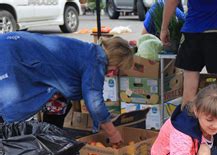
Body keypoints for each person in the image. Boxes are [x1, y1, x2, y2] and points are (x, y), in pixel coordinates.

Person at [0, 32, 134, 144]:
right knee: (10, 115)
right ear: (115, 59)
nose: (113, 74)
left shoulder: (89, 51)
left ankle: (50, 144)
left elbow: (66, 81)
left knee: (59, 104)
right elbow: (94, 101)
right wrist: (113, 133)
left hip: (13, 45)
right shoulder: (97, 60)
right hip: (13, 55)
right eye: (117, 68)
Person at [160, 0, 217, 118]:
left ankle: (187, 133)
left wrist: (164, 28)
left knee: (189, 91)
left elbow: (172, 1)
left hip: (192, 34)